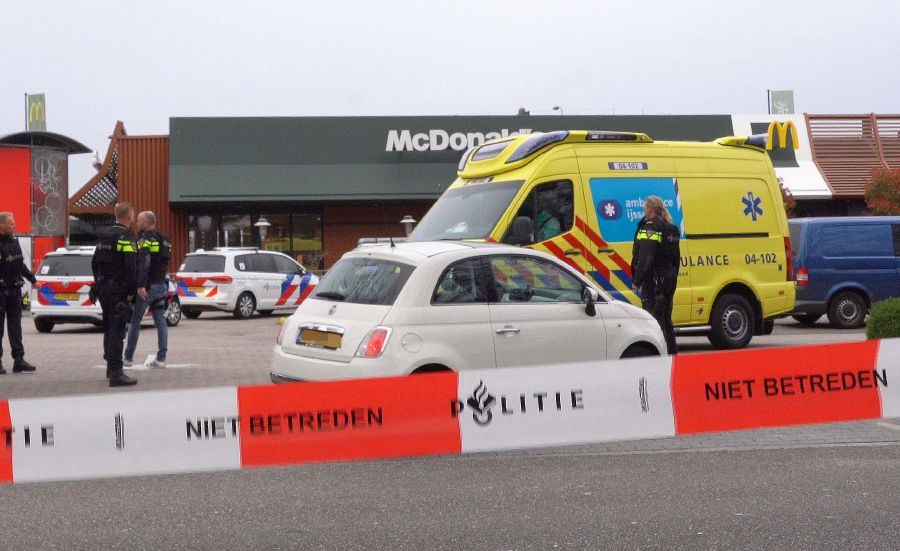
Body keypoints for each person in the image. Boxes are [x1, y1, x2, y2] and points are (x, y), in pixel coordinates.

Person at [91, 202, 139, 387]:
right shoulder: (126, 236)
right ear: (129, 216)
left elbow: (95, 262)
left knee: (109, 327)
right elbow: (130, 265)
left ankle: (110, 368)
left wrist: (99, 283)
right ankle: (116, 373)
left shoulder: (104, 235)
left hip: (103, 288)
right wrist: (130, 291)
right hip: (118, 289)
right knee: (118, 330)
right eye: (133, 214)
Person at [631, 196, 681, 355]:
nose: (644, 211)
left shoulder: (650, 228)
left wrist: (637, 280)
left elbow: (646, 257)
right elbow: (676, 259)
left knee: (653, 321)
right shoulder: (671, 228)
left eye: (645, 208)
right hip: (669, 279)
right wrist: (672, 277)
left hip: (653, 281)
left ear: (650, 210)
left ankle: (659, 358)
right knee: (666, 319)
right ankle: (673, 356)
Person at [124, 211, 171, 369]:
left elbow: (145, 261)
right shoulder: (165, 240)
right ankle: (161, 358)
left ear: (146, 222)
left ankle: (128, 357)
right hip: (161, 285)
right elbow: (163, 263)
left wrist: (141, 285)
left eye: (139, 221)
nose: (137, 224)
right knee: (160, 321)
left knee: (135, 320)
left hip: (148, 287)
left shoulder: (145, 239)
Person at [0, 212, 38, 374]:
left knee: (15, 327)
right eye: (11, 224)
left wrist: (32, 279)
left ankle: (19, 359)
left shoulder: (14, 242)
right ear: (2, 226)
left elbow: (20, 264)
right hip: (1, 290)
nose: (14, 226)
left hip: (15, 289)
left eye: (14, 224)